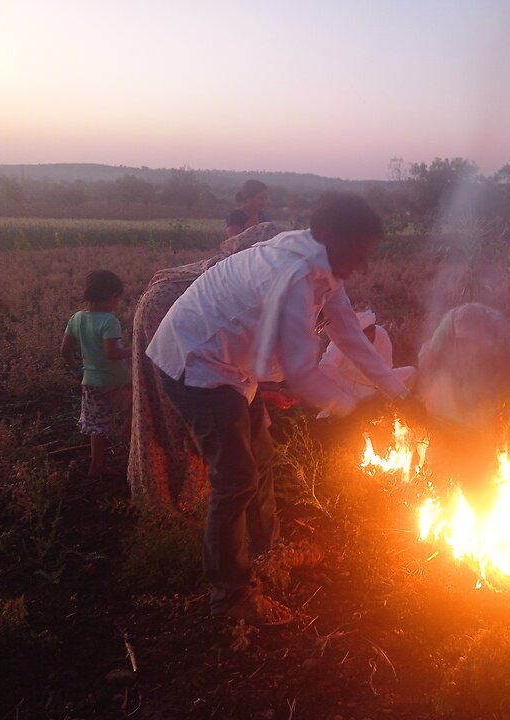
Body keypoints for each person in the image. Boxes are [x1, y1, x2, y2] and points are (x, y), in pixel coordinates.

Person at [146, 192, 412, 626]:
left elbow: (348, 334)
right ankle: (231, 598)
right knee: (235, 480)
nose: (360, 266)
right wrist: (360, 411)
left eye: (366, 255)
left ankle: (270, 553)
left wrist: (398, 393)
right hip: (197, 364)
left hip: (232, 366)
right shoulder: (293, 275)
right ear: (326, 235)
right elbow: (303, 376)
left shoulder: (320, 262)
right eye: (355, 252)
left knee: (260, 460)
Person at [128, 222, 288, 512]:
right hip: (182, 364)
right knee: (180, 428)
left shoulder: (250, 285)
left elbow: (239, 350)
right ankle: (180, 505)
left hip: (218, 373)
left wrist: (262, 390)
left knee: (239, 447)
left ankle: (211, 508)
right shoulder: (183, 295)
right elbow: (208, 369)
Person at [60, 270, 132, 479]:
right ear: (112, 296)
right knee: (137, 404)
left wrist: (75, 370)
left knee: (97, 426)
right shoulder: (109, 321)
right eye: (118, 298)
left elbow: (64, 350)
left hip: (91, 381)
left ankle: (96, 465)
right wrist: (135, 350)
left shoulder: (77, 318)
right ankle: (127, 433)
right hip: (116, 381)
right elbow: (111, 353)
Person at [315, 308, 418, 419]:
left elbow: (387, 367)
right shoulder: (341, 340)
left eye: (371, 329)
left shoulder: (381, 334)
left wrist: (383, 385)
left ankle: (397, 405)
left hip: (377, 382)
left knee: (411, 372)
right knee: (364, 396)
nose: (369, 334)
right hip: (350, 384)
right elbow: (325, 368)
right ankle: (333, 410)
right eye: (364, 332)